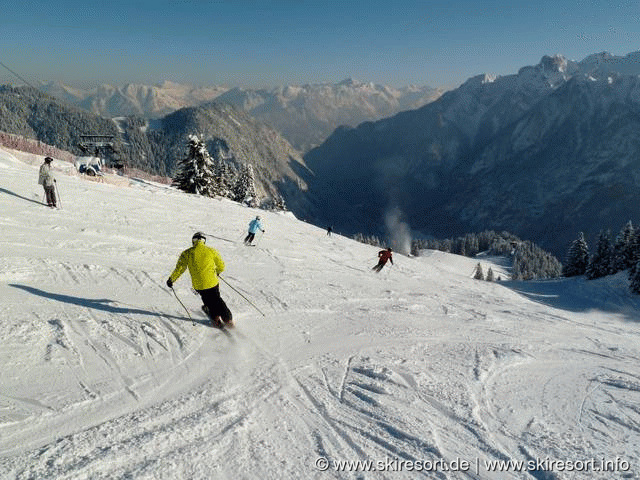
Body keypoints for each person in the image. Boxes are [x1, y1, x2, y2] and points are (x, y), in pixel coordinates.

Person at [166, 232, 233, 328]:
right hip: (212, 282)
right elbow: (221, 266)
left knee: (208, 300)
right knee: (217, 299)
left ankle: (215, 317)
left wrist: (171, 279)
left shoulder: (187, 253)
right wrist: (217, 272)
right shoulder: (211, 250)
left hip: (199, 285)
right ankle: (227, 318)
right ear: (203, 241)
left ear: (193, 241)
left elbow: (180, 268)